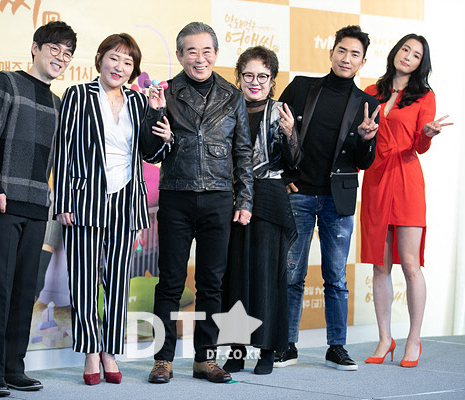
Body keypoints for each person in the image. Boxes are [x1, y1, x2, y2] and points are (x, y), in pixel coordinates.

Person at [141, 21, 253, 384]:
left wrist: (245, 198)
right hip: (176, 196)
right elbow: (149, 152)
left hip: (219, 198)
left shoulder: (232, 96)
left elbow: (243, 152)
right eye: (191, 51)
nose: (199, 58)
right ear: (179, 55)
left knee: (211, 284)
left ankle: (206, 359)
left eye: (206, 51)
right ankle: (163, 360)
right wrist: (155, 115)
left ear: (216, 54)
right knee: (170, 282)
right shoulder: (165, 92)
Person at [54, 33, 165, 385]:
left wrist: (158, 115)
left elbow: (151, 153)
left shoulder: (138, 101)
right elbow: (63, 150)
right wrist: (63, 201)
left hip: (126, 200)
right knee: (84, 279)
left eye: (128, 62)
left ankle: (110, 350)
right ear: (101, 59)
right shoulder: (77, 95)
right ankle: (91, 350)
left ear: (134, 69)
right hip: (85, 198)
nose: (120, 67)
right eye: (114, 58)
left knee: (117, 280)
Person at [0, 21, 76, 396]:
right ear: (36, 48)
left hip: (37, 208)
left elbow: (61, 161)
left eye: (67, 54)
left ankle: (14, 368)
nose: (60, 58)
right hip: (2, 202)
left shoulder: (58, 103)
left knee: (24, 292)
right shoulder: (5, 83)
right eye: (54, 49)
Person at [276, 25, 380, 371]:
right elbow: (276, 135)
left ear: (362, 62)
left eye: (355, 54)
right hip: (300, 194)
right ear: (331, 52)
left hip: (339, 200)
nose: (346, 58)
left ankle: (336, 347)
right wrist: (285, 177)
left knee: (336, 277)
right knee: (292, 274)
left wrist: (365, 139)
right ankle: (287, 345)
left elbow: (365, 161)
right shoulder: (301, 87)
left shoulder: (368, 104)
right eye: (342, 51)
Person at [361, 34, 452, 368]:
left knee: (411, 265)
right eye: (405, 50)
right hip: (375, 180)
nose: (408, 57)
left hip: (406, 179)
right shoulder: (371, 91)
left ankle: (414, 339)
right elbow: (362, 139)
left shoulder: (425, 96)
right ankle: (385, 339)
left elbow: (419, 145)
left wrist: (427, 134)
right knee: (380, 265)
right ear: (395, 52)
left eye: (416, 55)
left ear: (420, 64)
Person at [220, 46, 301, 375]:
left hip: (268, 198)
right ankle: (237, 350)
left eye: (262, 76)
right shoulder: (226, 108)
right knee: (235, 277)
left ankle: (268, 350)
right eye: (249, 75)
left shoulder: (281, 112)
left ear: (272, 80)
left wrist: (290, 134)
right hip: (232, 200)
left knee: (268, 278)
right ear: (239, 78)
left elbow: (295, 163)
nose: (255, 82)